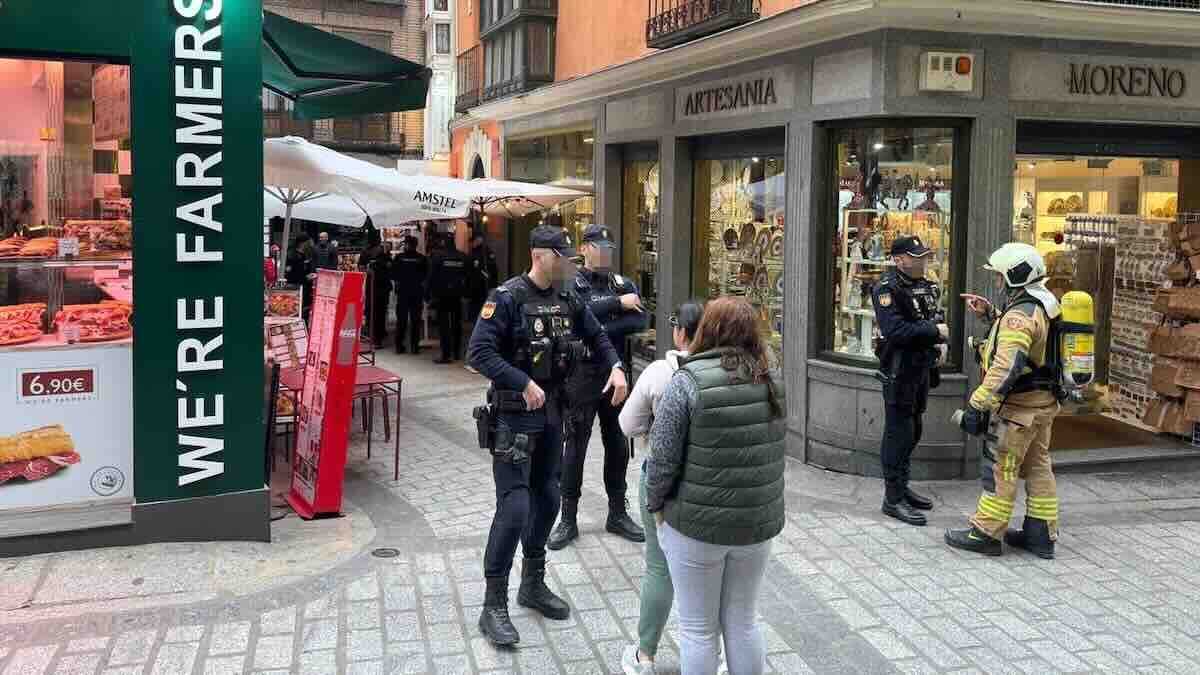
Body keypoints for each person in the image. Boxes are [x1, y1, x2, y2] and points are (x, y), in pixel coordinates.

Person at [467, 225, 629, 646]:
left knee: (549, 499)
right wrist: (521, 381)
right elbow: (478, 352)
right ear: (540, 256)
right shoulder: (506, 298)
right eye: (562, 257)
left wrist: (616, 367)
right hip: (515, 419)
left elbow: (597, 335)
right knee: (515, 507)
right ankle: (493, 604)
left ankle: (532, 583)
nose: (569, 264)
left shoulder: (567, 297)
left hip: (554, 415)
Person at [647, 296, 785, 675]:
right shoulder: (771, 378)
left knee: (698, 629)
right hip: (756, 524)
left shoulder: (688, 380)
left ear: (708, 329)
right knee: (743, 620)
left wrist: (656, 506)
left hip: (696, 527)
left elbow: (661, 460)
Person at [946, 243, 1062, 558]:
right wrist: (991, 315)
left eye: (1000, 276)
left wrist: (977, 403)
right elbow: (1032, 342)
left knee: (1001, 469)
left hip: (1018, 412)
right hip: (1041, 406)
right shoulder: (1042, 303)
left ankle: (985, 533)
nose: (997, 282)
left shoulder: (1019, 316)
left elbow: (1006, 367)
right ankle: (1041, 535)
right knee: (1038, 466)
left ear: (1015, 275)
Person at [618, 301, 706, 675]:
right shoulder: (728, 372)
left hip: (661, 480)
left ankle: (646, 656)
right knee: (709, 570)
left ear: (679, 333)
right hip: (706, 482)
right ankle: (713, 655)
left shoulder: (659, 372)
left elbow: (627, 423)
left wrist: (652, 430)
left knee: (659, 567)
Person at [548, 224, 647, 550]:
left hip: (615, 374)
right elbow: (572, 318)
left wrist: (595, 324)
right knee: (575, 447)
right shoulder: (571, 283)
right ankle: (568, 518)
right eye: (598, 247)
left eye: (609, 249)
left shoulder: (622, 283)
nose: (604, 253)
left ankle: (617, 513)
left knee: (617, 444)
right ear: (584, 248)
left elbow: (640, 321)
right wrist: (618, 306)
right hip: (582, 374)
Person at [871, 236, 948, 527]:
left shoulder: (926, 285)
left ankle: (902, 487)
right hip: (899, 370)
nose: (923, 260)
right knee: (898, 433)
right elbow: (895, 331)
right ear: (899, 259)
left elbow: (933, 316)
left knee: (914, 429)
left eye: (924, 255)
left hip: (922, 368)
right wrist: (935, 332)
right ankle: (892, 498)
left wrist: (937, 341)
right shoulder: (886, 288)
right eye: (916, 256)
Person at [426, 234, 469, 364]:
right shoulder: (462, 257)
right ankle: (456, 353)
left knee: (444, 326)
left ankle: (446, 354)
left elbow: (431, 277)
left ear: (443, 243)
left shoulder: (438, 257)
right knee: (457, 324)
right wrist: (466, 293)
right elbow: (468, 276)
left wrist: (428, 295)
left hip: (442, 296)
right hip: (457, 295)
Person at [391, 235, 427, 354]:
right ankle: (414, 347)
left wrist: (400, 281)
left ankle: (399, 346)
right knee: (415, 321)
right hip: (416, 293)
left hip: (403, 293)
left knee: (401, 320)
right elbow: (425, 275)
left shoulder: (399, 258)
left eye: (406, 244)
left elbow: (393, 274)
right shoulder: (422, 258)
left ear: (407, 245)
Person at [358, 230, 392, 347]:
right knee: (374, 310)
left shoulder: (382, 251)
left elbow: (389, 266)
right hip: (374, 285)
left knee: (378, 310)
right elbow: (361, 267)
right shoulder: (368, 251)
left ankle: (377, 335)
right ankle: (375, 335)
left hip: (380, 285)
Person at [285, 233, 314, 321]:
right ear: (303, 243)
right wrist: (306, 277)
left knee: (302, 307)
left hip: (302, 285)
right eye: (308, 242)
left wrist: (308, 274)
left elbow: (301, 269)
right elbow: (291, 273)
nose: (310, 244)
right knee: (296, 308)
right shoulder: (292, 254)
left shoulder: (303, 253)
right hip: (296, 286)